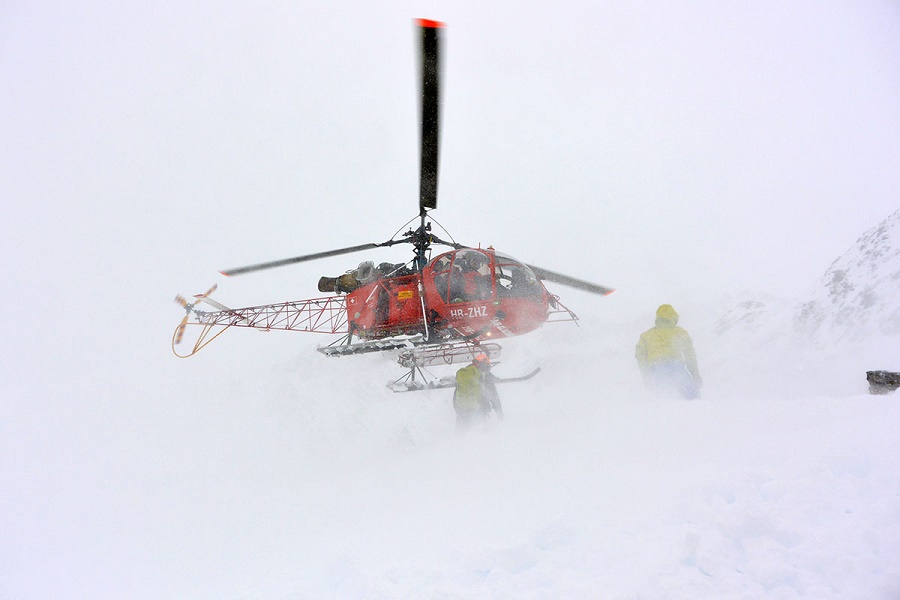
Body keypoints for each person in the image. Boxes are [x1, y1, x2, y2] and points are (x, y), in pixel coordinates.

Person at [635, 304, 702, 399]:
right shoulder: (680, 332)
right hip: (677, 368)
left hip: (656, 371)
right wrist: (695, 375)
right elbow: (689, 355)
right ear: (673, 317)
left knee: (662, 402)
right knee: (693, 399)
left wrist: (647, 377)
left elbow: (640, 358)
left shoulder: (646, 336)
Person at [453, 353, 503, 428]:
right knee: (480, 434)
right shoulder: (486, 376)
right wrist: (499, 412)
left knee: (461, 432)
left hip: (462, 410)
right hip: (479, 409)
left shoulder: (465, 372)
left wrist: (457, 409)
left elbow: (456, 393)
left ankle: (456, 438)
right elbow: (493, 396)